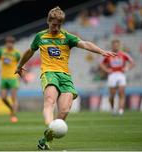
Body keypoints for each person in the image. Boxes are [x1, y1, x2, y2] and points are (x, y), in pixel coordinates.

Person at [15, 6, 116, 150]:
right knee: (50, 101)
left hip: (65, 76)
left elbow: (85, 43)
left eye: (59, 25)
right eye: (53, 24)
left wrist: (101, 51)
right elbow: (29, 52)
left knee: (64, 111)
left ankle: (44, 140)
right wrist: (19, 66)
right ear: (48, 21)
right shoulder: (40, 37)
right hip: (49, 73)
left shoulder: (67, 37)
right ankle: (50, 125)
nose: (56, 28)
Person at [100, 39, 135, 115]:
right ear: (112, 45)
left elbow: (132, 62)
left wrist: (127, 68)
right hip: (112, 75)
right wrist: (106, 70)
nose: (115, 46)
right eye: (114, 45)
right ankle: (112, 109)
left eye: (117, 45)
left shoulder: (123, 54)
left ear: (119, 45)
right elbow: (101, 64)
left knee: (121, 93)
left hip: (121, 74)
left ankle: (121, 110)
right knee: (112, 95)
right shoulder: (108, 54)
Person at [0, 36, 21, 123]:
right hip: (4, 77)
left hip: (13, 77)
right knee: (3, 98)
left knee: (13, 98)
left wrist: (22, 75)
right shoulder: (2, 51)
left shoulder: (17, 53)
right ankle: (11, 108)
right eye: (8, 42)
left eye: (11, 43)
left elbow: (21, 64)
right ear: (6, 43)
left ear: (13, 44)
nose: (9, 44)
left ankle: (13, 115)